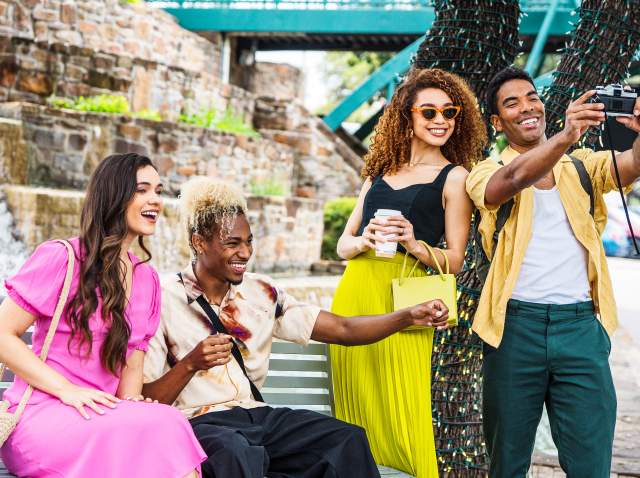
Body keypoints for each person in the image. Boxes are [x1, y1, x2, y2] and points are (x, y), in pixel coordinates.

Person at [142, 177, 450, 478]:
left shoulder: (262, 292)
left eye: (249, 242)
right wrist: (192, 363)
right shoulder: (162, 298)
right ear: (199, 242)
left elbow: (343, 329)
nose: (245, 253)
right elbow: (147, 398)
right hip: (196, 424)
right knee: (237, 454)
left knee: (346, 440)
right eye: (232, 243)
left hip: (257, 417)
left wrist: (407, 316)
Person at [466, 67, 640, 477]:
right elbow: (510, 180)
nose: (526, 107)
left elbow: (630, 166)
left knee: (591, 462)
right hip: (514, 329)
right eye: (512, 103)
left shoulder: (580, 167)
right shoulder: (485, 170)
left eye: (531, 97)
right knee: (507, 462)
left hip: (579, 328)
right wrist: (566, 136)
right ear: (497, 122)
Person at [0, 153, 206, 477]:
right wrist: (67, 390)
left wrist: (134, 407)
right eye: (142, 190)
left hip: (101, 414)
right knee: (168, 428)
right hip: (43, 414)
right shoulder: (62, 258)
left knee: (164, 425)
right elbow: (2, 335)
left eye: (159, 190)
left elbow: (131, 369)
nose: (155, 199)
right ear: (113, 195)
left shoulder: (146, 279)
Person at [329, 67, 487, 477]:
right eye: (429, 112)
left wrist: (415, 244)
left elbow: (456, 261)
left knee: (404, 408)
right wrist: (364, 241)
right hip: (356, 295)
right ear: (407, 117)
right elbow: (342, 244)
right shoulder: (377, 175)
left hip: (408, 302)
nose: (441, 121)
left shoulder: (455, 177)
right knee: (355, 411)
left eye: (450, 113)